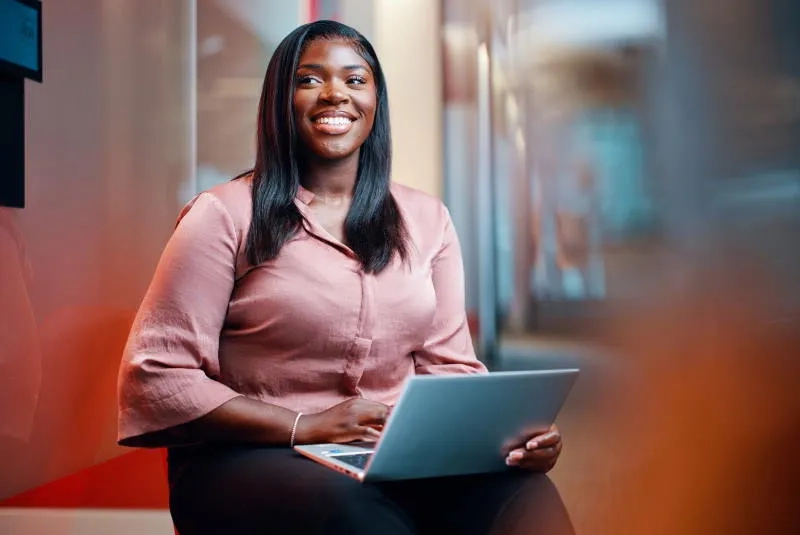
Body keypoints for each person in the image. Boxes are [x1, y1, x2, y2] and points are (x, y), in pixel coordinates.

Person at [117, 20, 573, 535]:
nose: (335, 93)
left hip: (391, 452)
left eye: (356, 80)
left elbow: (452, 368)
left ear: (375, 101)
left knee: (523, 497)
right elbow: (157, 377)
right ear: (280, 100)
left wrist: (506, 435)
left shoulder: (427, 219)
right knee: (358, 515)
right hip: (250, 457)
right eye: (310, 80)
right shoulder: (222, 215)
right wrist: (302, 426)